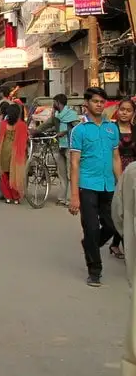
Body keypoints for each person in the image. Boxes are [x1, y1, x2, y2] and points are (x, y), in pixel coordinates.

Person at [68, 87, 122, 287]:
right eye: (96, 101)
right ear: (87, 104)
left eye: (102, 102)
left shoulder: (112, 128)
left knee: (113, 225)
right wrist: (74, 196)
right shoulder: (79, 130)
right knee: (91, 228)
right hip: (87, 186)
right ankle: (95, 271)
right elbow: (74, 163)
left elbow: (116, 157)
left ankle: (90, 245)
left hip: (108, 185)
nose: (99, 105)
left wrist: (121, 183)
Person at [34, 93, 81, 207]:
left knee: (72, 174)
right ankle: (62, 198)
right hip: (60, 146)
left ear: (58, 103)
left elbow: (78, 129)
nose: (53, 105)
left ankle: (73, 199)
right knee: (62, 174)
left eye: (54, 102)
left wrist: (66, 132)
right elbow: (47, 124)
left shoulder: (72, 115)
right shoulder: (56, 116)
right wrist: (34, 131)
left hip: (71, 146)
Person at [110, 98, 136, 259]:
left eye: (128, 110)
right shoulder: (110, 130)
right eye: (122, 109)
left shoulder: (135, 130)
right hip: (114, 173)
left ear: (133, 113)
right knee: (119, 210)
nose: (124, 113)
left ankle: (119, 243)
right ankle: (117, 243)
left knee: (130, 211)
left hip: (133, 174)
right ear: (117, 110)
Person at [0, 103, 28, 204]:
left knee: (5, 174)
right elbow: (24, 141)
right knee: (15, 174)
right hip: (16, 152)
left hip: (4, 151)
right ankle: (16, 197)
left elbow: (0, 139)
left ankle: (8, 197)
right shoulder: (22, 125)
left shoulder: (3, 124)